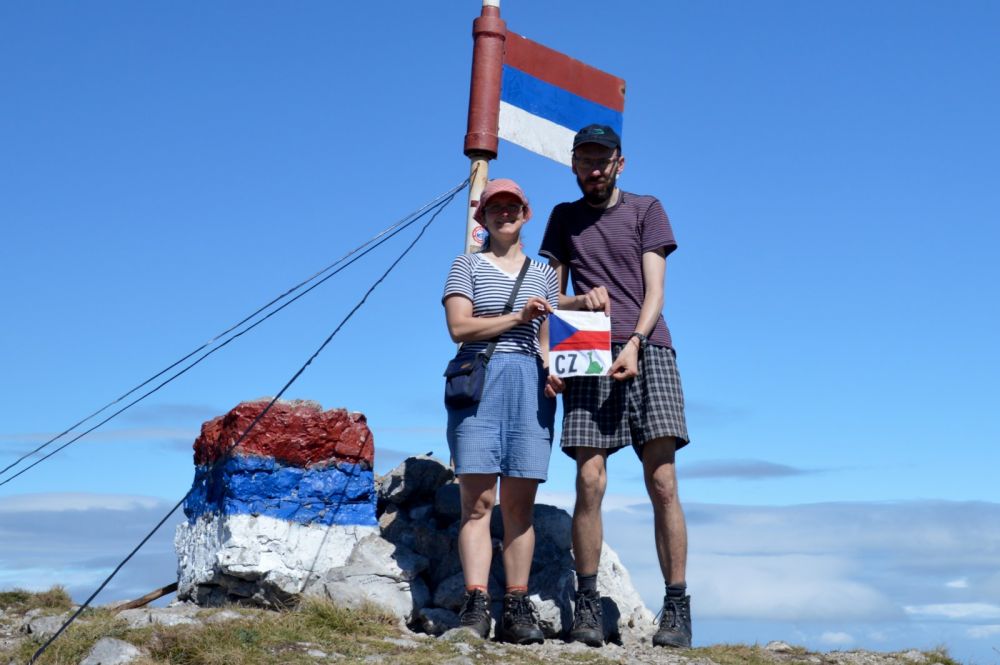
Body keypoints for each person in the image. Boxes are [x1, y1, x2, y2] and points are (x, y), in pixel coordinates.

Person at [539, 125, 693, 648]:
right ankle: (586, 604)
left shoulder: (647, 209)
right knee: (589, 482)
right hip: (583, 351)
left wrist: (635, 342)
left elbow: (656, 292)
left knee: (663, 482)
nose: (594, 169)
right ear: (574, 165)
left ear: (619, 164)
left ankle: (676, 606)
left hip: (649, 349)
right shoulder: (562, 218)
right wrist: (552, 351)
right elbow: (547, 297)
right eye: (585, 160)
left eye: (603, 160)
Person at [442, 178, 561, 644]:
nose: (504, 214)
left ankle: (516, 603)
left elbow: (548, 339)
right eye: (496, 208)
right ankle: (475, 604)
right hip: (481, 379)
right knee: (477, 503)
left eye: (513, 207)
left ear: (526, 214)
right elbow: (459, 327)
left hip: (530, 385)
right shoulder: (465, 265)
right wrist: (517, 317)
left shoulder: (544, 272)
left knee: (519, 506)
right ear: (483, 217)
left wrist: (554, 369)